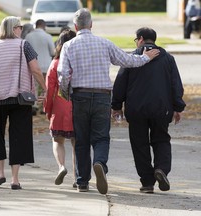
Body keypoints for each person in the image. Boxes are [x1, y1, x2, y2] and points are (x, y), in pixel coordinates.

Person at [58, 8, 160, 194]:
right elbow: (127, 60)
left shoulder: (68, 46)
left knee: (81, 139)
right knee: (101, 137)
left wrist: (65, 92)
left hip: (79, 95)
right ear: (91, 24)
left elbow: (63, 74)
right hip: (102, 96)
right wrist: (145, 57)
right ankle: (100, 164)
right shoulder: (104, 43)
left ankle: (82, 181)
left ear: (75, 26)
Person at [111, 27, 186, 193]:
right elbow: (176, 85)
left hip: (136, 109)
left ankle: (147, 182)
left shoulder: (131, 58)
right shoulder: (168, 59)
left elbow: (120, 84)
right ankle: (161, 169)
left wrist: (116, 106)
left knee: (139, 144)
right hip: (162, 109)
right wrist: (177, 107)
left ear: (141, 39)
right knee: (161, 140)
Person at [0, 16, 46, 190]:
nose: (22, 30)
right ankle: (15, 179)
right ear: (13, 29)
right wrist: (45, 88)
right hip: (19, 98)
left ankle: (0, 173)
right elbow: (36, 69)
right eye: (20, 27)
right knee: (19, 136)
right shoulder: (24, 45)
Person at [43, 30, 77, 188]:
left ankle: (61, 166)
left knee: (57, 141)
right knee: (77, 144)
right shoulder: (78, 62)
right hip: (77, 106)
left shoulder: (55, 64)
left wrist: (48, 110)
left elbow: (50, 90)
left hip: (60, 106)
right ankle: (79, 177)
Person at [25, 19, 55, 114]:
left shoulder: (28, 36)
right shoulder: (48, 36)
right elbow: (52, 52)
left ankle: (34, 105)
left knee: (34, 86)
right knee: (45, 86)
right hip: (46, 65)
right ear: (44, 26)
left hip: (33, 65)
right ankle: (43, 106)